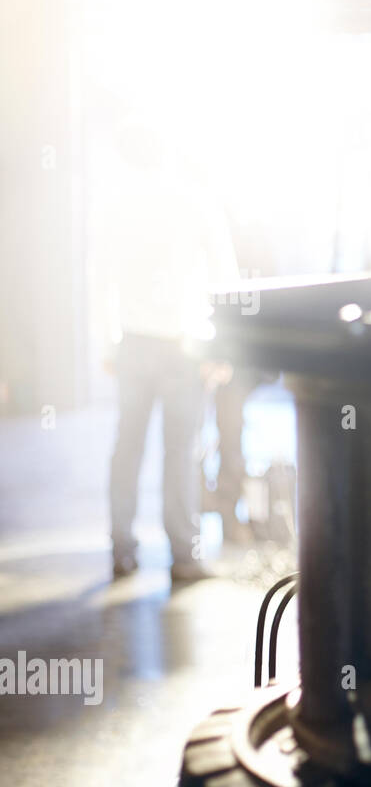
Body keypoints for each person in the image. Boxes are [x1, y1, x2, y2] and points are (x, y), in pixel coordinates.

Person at [102, 117, 240, 585]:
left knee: (127, 448)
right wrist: (223, 348)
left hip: (133, 342)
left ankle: (121, 550)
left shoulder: (116, 205)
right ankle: (184, 554)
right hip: (186, 347)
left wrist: (107, 341)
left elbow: (98, 277)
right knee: (180, 452)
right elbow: (226, 281)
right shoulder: (197, 201)